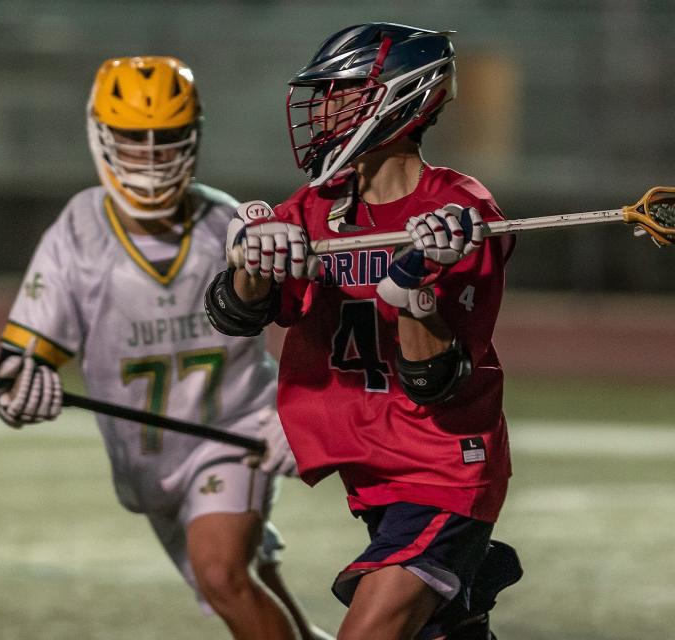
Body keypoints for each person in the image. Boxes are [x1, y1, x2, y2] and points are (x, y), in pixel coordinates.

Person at [0, 55, 330, 640]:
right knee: (246, 579)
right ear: (101, 135)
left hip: (233, 435)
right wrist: (21, 386)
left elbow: (313, 323)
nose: (149, 156)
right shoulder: (78, 232)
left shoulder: (226, 222)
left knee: (221, 573)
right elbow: (22, 358)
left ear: (192, 137)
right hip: (148, 468)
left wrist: (303, 413)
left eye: (166, 139)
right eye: (132, 138)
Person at [205, 24, 521, 640]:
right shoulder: (314, 207)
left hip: (443, 469)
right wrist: (250, 265)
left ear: (403, 99)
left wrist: (414, 291)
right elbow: (235, 315)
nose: (324, 107)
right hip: (373, 469)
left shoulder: (462, 210)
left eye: (344, 92)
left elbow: (432, 379)